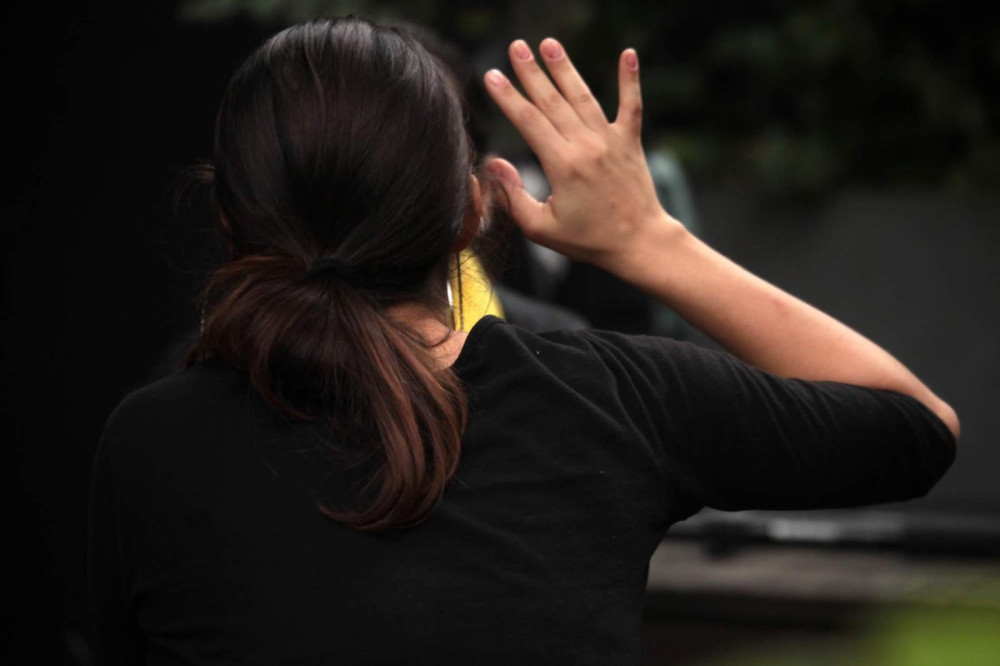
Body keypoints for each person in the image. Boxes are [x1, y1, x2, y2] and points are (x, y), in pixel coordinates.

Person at [88, 17, 959, 665]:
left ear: (226, 222)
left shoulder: (151, 442)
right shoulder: (604, 399)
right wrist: (648, 242)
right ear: (472, 212)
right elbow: (914, 428)